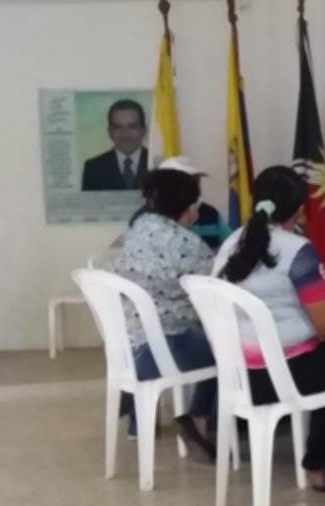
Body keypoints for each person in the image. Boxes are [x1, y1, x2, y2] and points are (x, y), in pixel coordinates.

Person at [214, 166, 325, 503]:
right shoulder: (297, 250)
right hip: (281, 377)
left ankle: (317, 464)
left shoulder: (231, 243)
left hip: (238, 375)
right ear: (299, 210)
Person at [110, 169, 217, 456]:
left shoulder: (137, 229)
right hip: (164, 349)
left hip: (129, 345)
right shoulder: (187, 244)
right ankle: (200, 418)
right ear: (189, 207)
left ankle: (140, 417)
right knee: (230, 347)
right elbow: (216, 289)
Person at [129, 157, 230, 249]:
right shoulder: (141, 219)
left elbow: (232, 246)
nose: (195, 187)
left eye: (196, 180)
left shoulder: (211, 214)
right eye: (188, 182)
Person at [82, 99, 149, 191]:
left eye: (132, 127)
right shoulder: (93, 168)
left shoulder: (160, 165)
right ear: (109, 132)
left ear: (144, 130)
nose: (125, 134)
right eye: (117, 127)